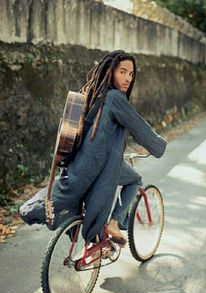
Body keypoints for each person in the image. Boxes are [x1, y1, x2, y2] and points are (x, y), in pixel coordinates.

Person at [19, 50, 167, 246]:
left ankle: (102, 243)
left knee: (93, 199)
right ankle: (114, 224)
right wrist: (159, 145)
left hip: (81, 161)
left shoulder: (96, 94)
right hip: (100, 163)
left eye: (131, 74)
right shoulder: (115, 98)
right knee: (135, 181)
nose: (128, 78)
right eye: (122, 72)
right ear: (111, 70)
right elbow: (140, 128)